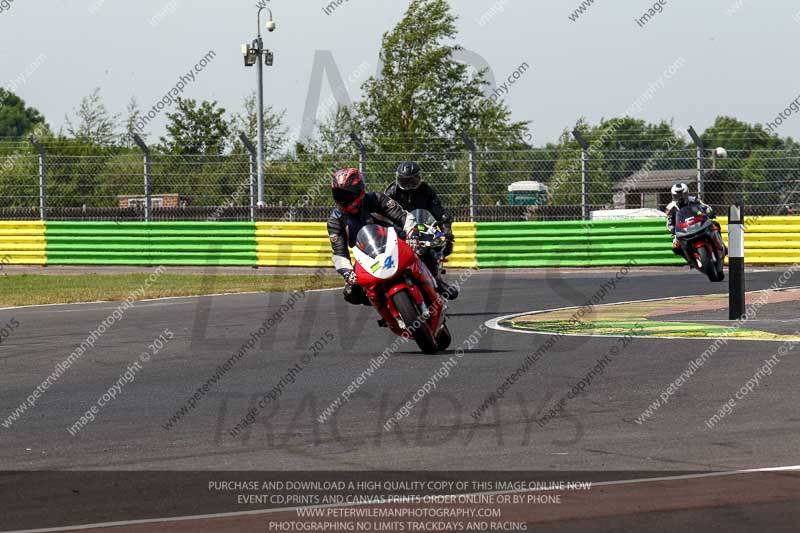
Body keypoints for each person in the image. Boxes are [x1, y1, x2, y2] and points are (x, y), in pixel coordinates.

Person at [327, 168, 421, 306]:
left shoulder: (376, 199)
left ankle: (438, 284)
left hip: (397, 243)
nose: (344, 198)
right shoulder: (335, 220)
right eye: (339, 194)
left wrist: (412, 234)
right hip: (368, 257)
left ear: (359, 190)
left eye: (348, 193)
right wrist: (348, 272)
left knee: (425, 248)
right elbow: (339, 253)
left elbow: (403, 216)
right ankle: (385, 307)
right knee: (351, 293)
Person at [384, 161, 458, 299]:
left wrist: (446, 231)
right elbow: (381, 212)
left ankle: (436, 281)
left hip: (421, 227)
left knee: (434, 248)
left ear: (419, 178)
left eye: (412, 180)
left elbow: (440, 212)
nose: (408, 185)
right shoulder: (391, 191)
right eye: (405, 181)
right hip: (398, 230)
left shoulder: (426, 191)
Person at [665, 182, 719, 262]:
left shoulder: (694, 200)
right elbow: (669, 221)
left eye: (682, 195)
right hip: (682, 229)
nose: (680, 198)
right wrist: (672, 229)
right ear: (673, 196)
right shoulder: (671, 207)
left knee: (715, 225)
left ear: (687, 193)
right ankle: (690, 260)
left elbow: (705, 207)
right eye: (677, 196)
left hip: (698, 222)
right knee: (676, 247)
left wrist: (709, 212)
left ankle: (721, 247)